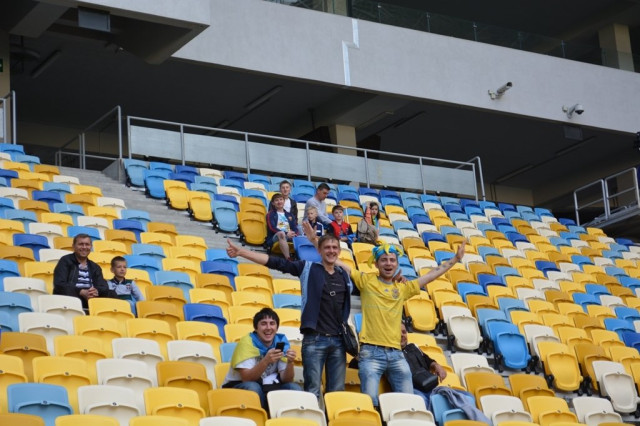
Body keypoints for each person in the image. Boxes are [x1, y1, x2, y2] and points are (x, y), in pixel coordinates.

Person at [302, 221, 465, 407]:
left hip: (397, 354)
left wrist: (455, 259)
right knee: (370, 403)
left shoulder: (403, 288)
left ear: (397, 264)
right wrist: (314, 241)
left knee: (409, 403)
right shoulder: (366, 281)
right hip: (371, 353)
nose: (388, 263)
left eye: (392, 260)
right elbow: (335, 260)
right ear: (376, 264)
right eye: (384, 260)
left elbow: (431, 275)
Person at [226, 234, 350, 401]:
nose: (331, 251)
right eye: (327, 247)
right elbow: (276, 263)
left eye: (335, 248)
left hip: (339, 340)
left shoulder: (344, 274)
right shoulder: (307, 268)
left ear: (340, 251)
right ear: (319, 250)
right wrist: (242, 252)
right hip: (315, 339)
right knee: (312, 390)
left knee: (337, 392)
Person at [221, 307, 300, 409]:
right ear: (256, 328)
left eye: (272, 323)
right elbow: (247, 378)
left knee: (294, 387)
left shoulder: (281, 342)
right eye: (263, 324)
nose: (268, 327)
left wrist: (290, 363)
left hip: (268, 386)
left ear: (277, 328)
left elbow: (286, 379)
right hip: (237, 385)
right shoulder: (247, 343)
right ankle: (261, 417)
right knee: (253, 387)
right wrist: (266, 361)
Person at [53, 233, 114, 311]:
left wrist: (96, 291)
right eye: (81, 244)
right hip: (73, 296)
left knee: (112, 294)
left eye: (87, 244)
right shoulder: (65, 261)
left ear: (91, 247)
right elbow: (59, 284)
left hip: (91, 297)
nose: (84, 247)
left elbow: (103, 286)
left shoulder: (95, 267)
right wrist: (81, 291)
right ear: (73, 246)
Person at [400, 322, 447, 406]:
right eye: (398, 333)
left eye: (404, 332)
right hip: (412, 390)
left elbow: (427, 359)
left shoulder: (413, 346)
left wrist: (436, 365)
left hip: (428, 385)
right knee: (425, 402)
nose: (402, 335)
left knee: (461, 395)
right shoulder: (391, 353)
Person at [266, 193, 299, 260]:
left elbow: (295, 227)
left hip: (289, 235)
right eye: (276, 200)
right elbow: (272, 227)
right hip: (275, 236)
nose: (279, 202)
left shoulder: (290, 215)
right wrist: (286, 233)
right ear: (273, 203)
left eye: (281, 199)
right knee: (281, 233)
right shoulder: (270, 214)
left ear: (284, 201)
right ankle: (288, 259)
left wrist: (294, 233)